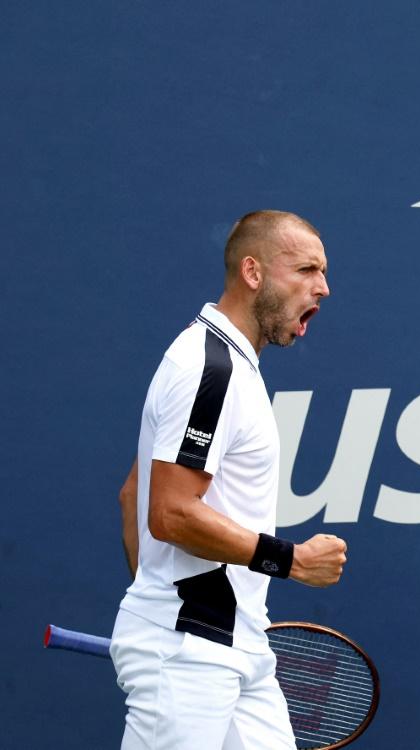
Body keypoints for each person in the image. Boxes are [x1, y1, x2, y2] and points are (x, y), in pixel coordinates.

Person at [111, 210, 348, 750]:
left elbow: (134, 494)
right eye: (307, 269)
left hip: (236, 647)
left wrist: (158, 604)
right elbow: (168, 512)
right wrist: (288, 560)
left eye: (324, 272)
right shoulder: (209, 368)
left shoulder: (233, 368)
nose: (324, 288)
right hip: (189, 656)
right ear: (253, 272)